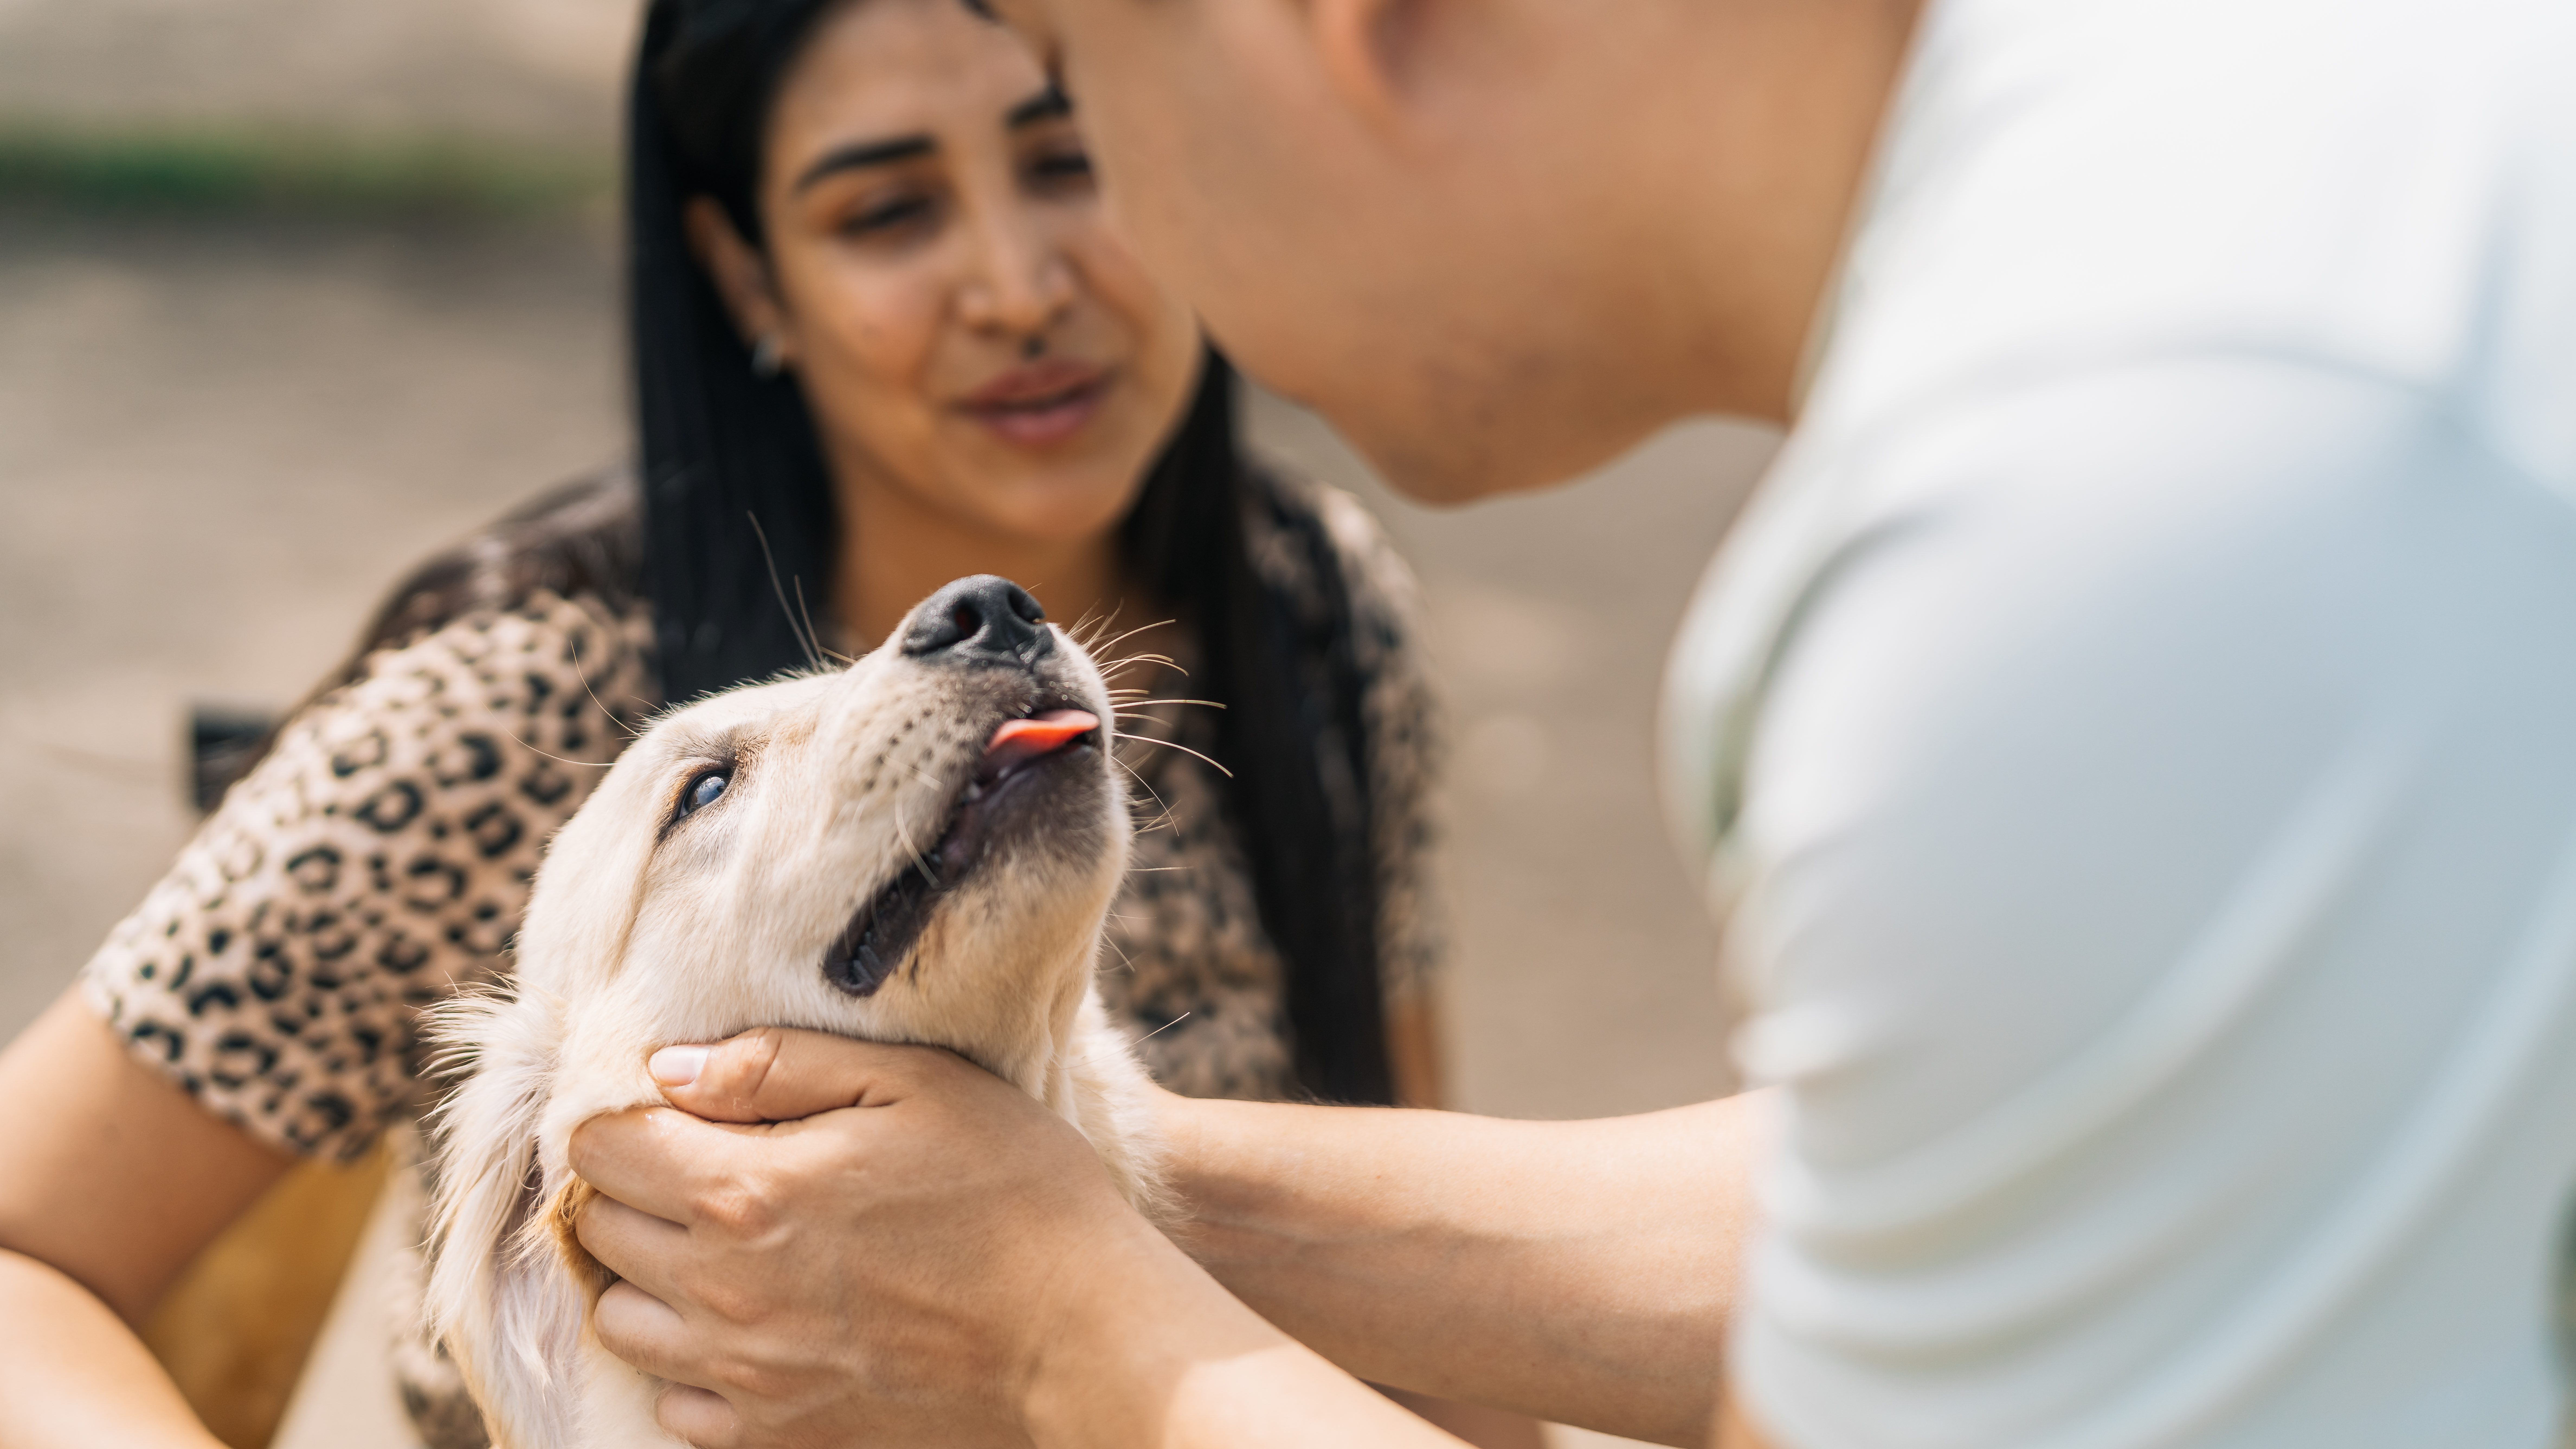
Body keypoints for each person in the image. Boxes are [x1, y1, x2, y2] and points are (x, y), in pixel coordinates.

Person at [516, 0, 2576, 1447]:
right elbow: (2039, 1191)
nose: (1089, 247)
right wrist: (1079, 1185)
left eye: (1077, 100)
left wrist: (1074, 1334)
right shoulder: (2279, 143)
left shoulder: (2096, 535)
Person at [0, 1, 1552, 1445]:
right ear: (749, 273)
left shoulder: (1312, 614)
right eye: (889, 212)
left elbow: (1446, 1306)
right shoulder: (513, 696)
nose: (1019, 287)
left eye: (1073, 160)